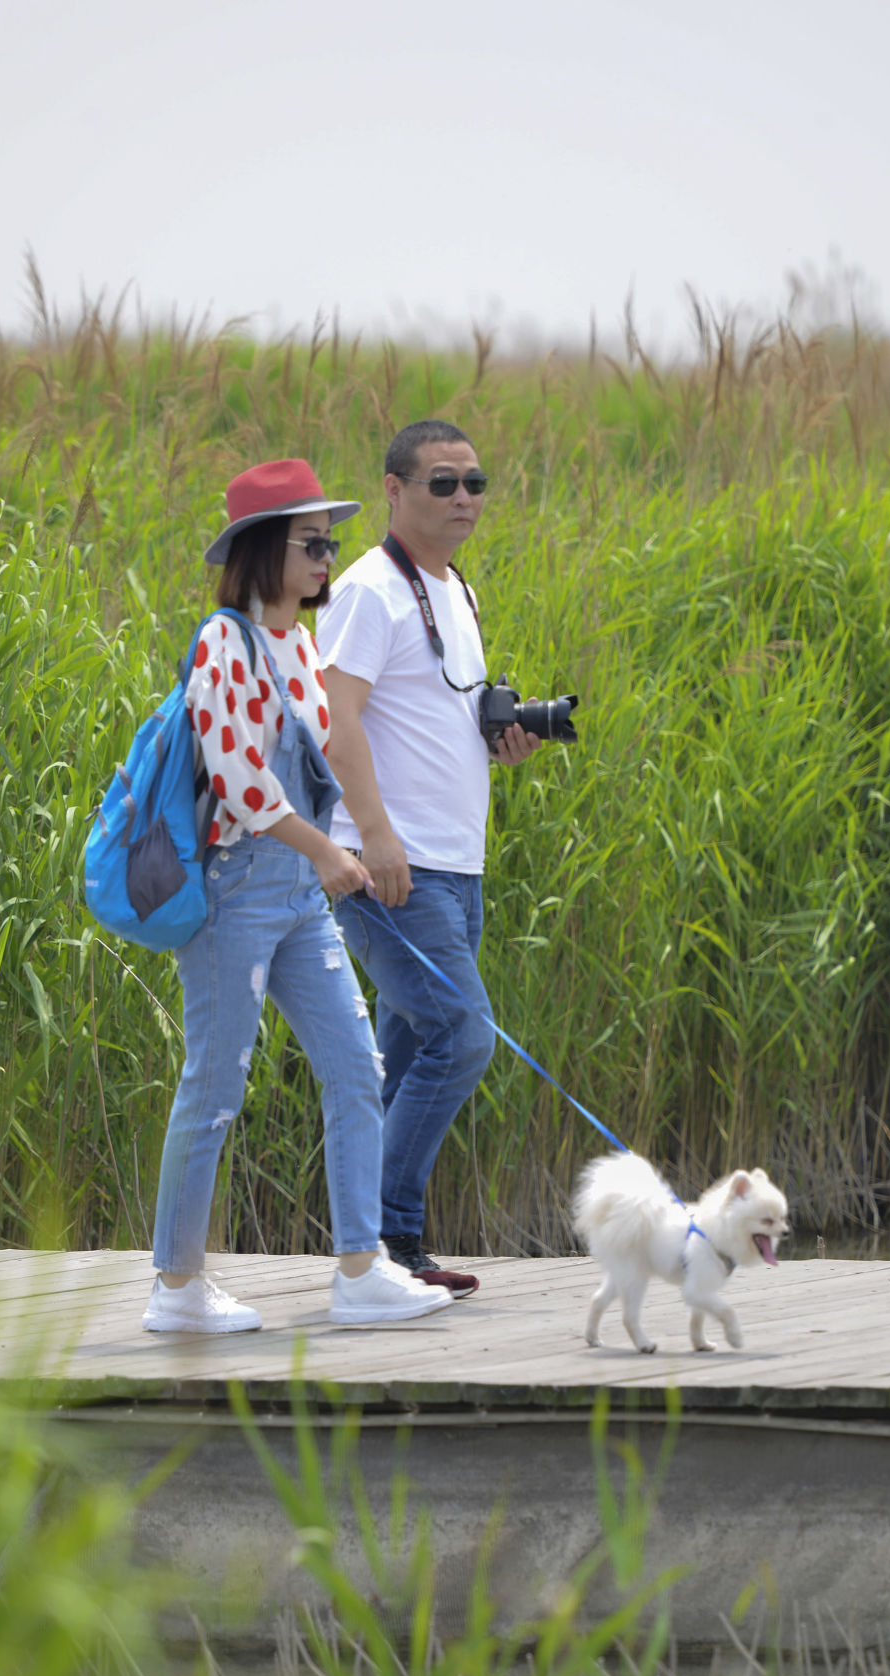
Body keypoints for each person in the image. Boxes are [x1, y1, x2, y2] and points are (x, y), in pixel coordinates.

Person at [143, 458, 453, 1334]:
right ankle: (175, 1287)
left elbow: (326, 758)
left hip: (298, 900)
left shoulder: (301, 647)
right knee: (214, 1086)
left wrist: (345, 845)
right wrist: (327, 851)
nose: (326, 560)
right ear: (260, 551)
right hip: (235, 894)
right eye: (310, 544)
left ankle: (361, 1268)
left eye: (330, 545)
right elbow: (240, 781)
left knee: (356, 1067)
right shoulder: (224, 643)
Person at [318, 421, 545, 1296]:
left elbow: (425, 720)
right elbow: (335, 722)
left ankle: (372, 1252)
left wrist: (502, 741)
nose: (462, 498)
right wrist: (376, 836)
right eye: (441, 482)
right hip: (393, 867)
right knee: (460, 1033)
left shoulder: (456, 590)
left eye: (474, 483)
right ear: (393, 489)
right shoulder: (367, 591)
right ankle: (388, 1244)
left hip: (456, 866)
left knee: (411, 1052)